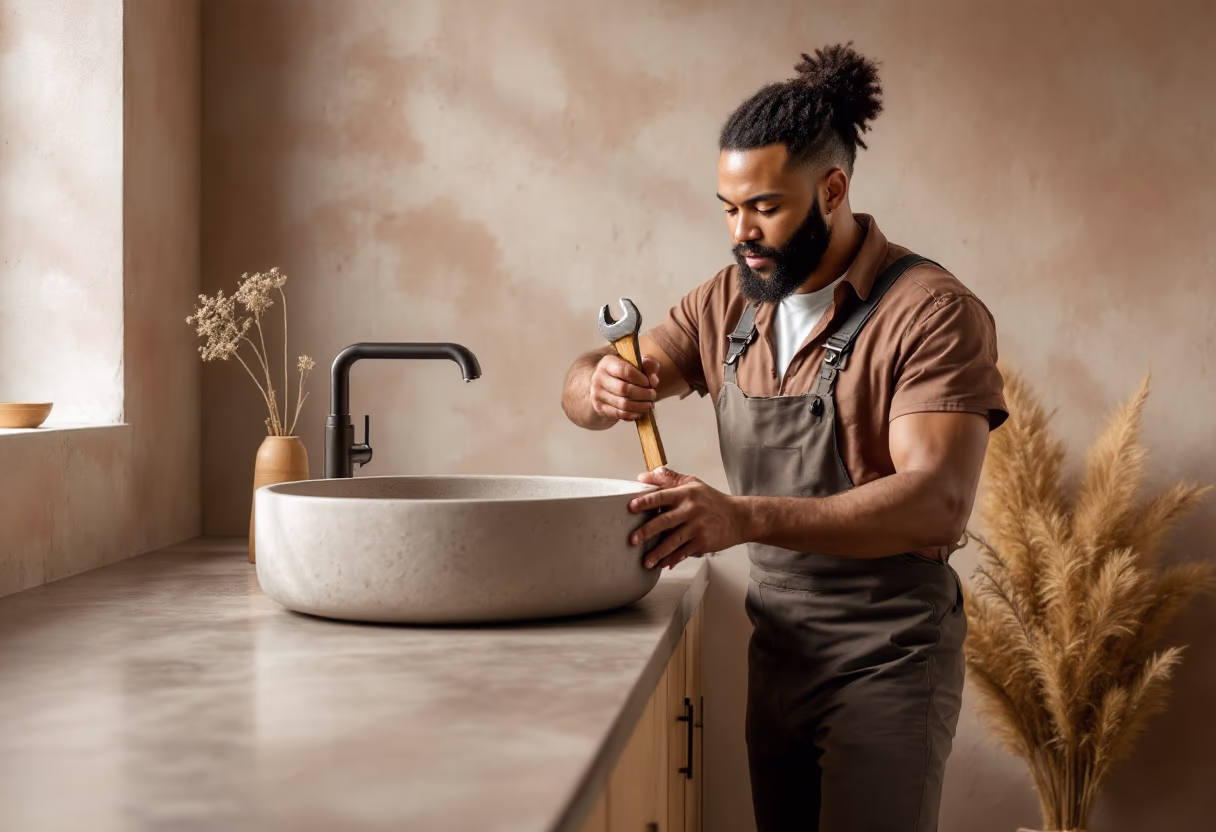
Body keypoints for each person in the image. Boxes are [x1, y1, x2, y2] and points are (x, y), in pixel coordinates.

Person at [561, 42, 1008, 831]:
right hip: (777, 649)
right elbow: (586, 388)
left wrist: (742, 517)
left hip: (888, 654)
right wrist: (600, 384)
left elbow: (938, 503)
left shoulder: (930, 312)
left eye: (764, 207)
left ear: (832, 189)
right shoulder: (731, 302)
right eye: (729, 209)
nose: (743, 232)